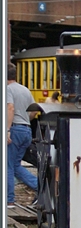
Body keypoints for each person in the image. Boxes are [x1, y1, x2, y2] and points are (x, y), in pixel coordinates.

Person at [7, 63, 40, 205]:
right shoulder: (25, 90)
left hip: (14, 130)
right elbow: (34, 110)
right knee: (15, 165)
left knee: (7, 166)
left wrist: (7, 130)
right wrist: (26, 120)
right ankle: (40, 186)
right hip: (26, 130)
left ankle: (8, 199)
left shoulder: (8, 89)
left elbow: (10, 108)